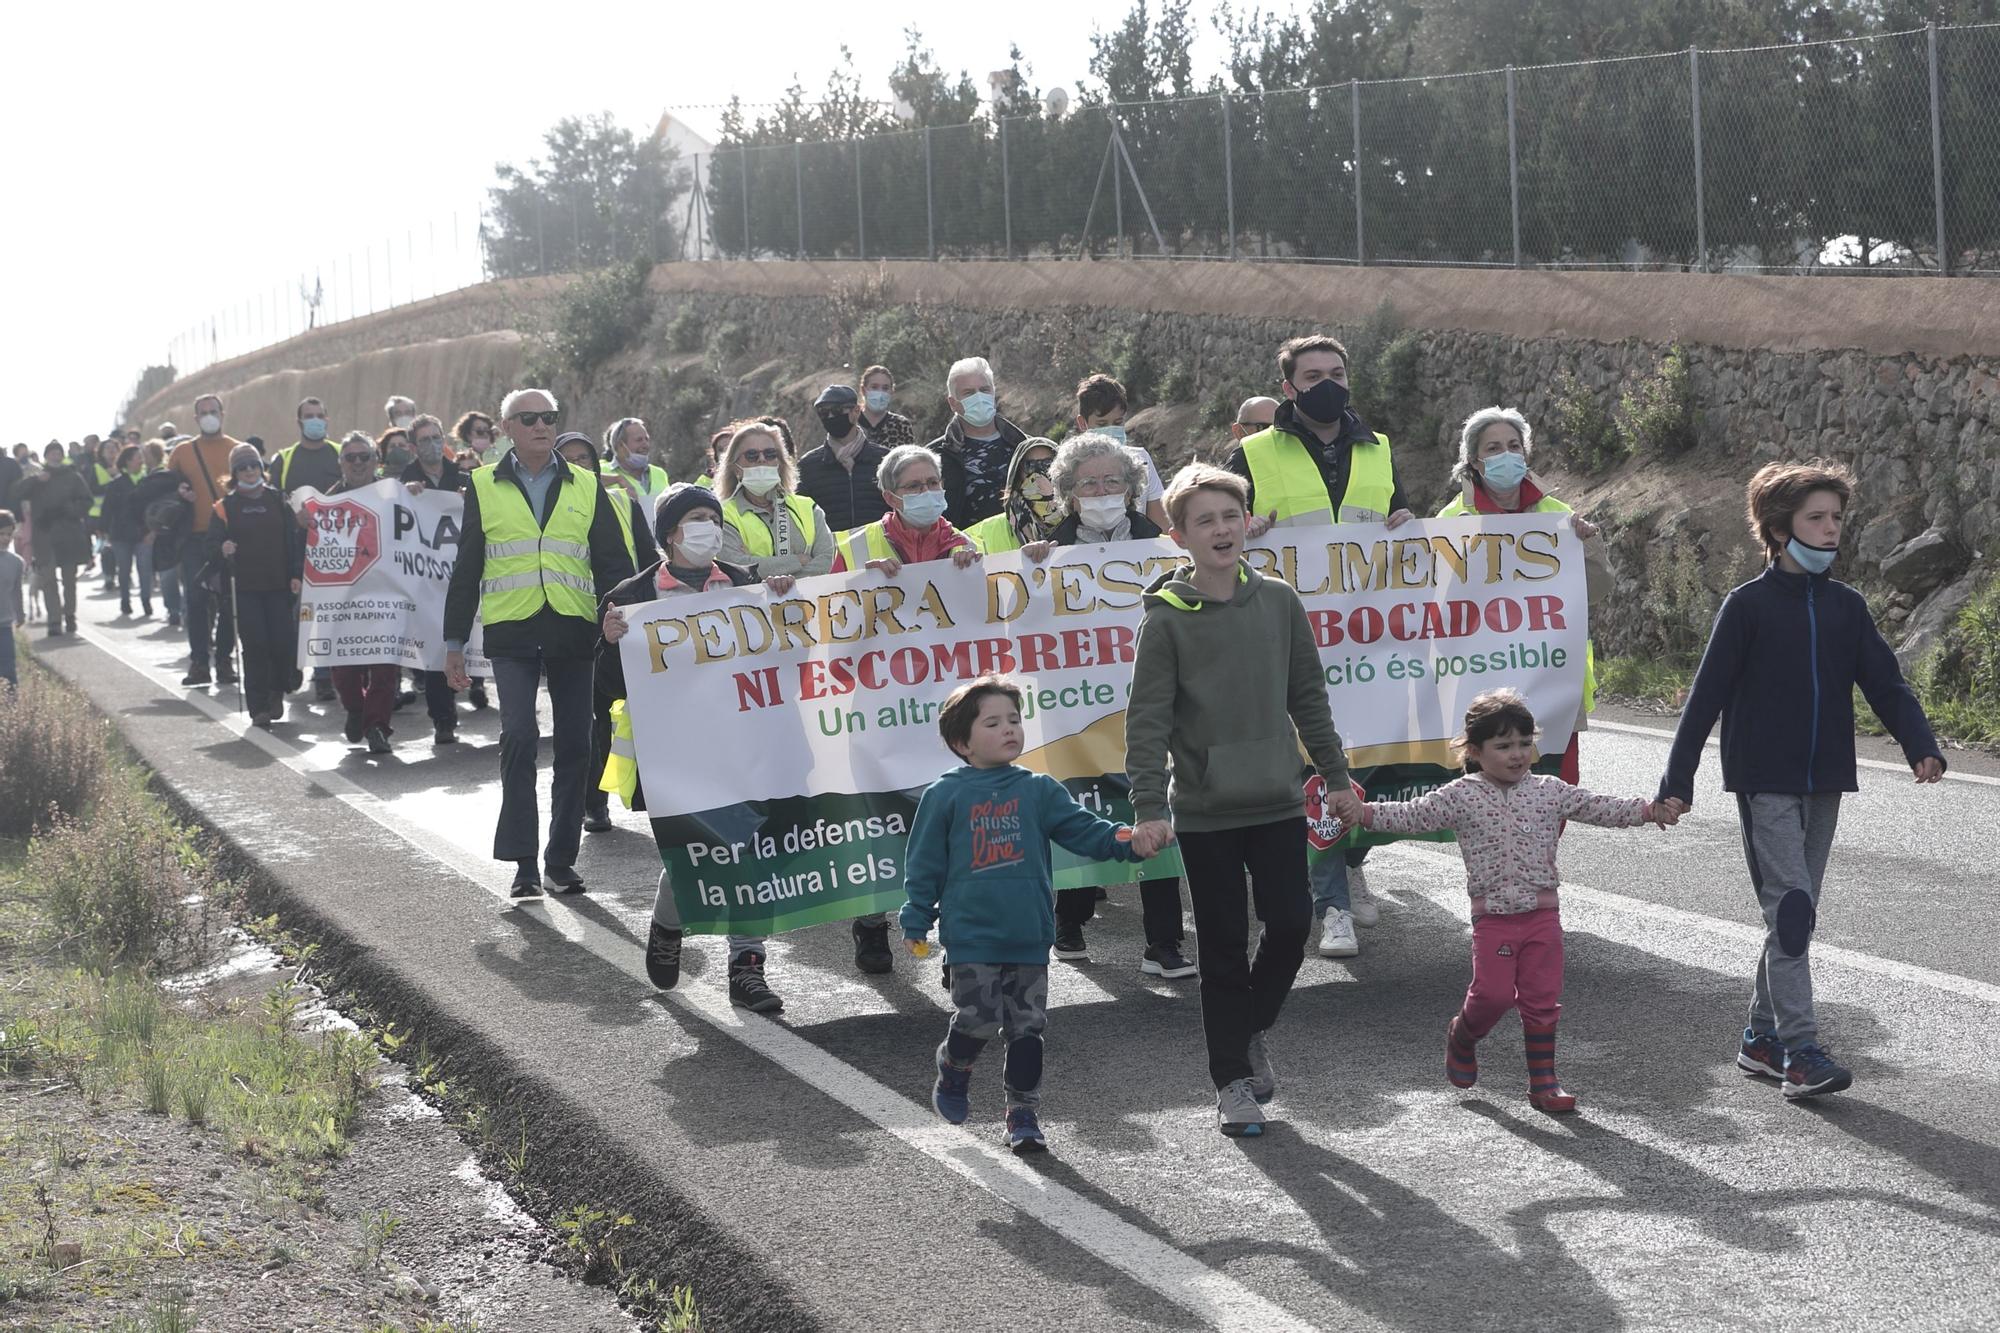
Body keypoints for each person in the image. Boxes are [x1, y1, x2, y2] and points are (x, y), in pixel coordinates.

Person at [1657, 459, 1946, 1101]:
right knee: (1789, 912)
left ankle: (1759, 1038)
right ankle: (1800, 1051)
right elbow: (1704, 699)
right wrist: (1678, 780)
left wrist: (1919, 742)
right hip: (1765, 782)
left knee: (1797, 914)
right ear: (1780, 528)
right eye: (1816, 517)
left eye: (1837, 517)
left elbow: (1885, 682)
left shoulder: (1846, 607)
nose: (1830, 528)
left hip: (1825, 782)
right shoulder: (1747, 606)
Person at [1124, 463, 1350, 1138]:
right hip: (1205, 809)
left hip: (1278, 797)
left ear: (1247, 520)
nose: (1221, 529)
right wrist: (1147, 807)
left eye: (1231, 515)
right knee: (1221, 946)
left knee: (1289, 924)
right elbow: (1147, 720)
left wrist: (1335, 776)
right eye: (1205, 520)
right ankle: (1231, 1082)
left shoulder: (1280, 601)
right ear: (1180, 536)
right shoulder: (1165, 621)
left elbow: (1308, 696)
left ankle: (1247, 1028)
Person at [1334, 690, 1676, 1114]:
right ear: (1475, 752)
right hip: (1493, 919)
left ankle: (1543, 1083)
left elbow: (1599, 807)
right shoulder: (1460, 795)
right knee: (1492, 997)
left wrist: (1649, 810)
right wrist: (1362, 813)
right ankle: (1462, 1035)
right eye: (1503, 746)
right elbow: (1409, 815)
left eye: (1524, 743)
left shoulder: (1550, 791)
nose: (1517, 754)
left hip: (1543, 917)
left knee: (1541, 999)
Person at [902, 674, 1152, 1153]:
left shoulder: (1039, 789)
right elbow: (924, 862)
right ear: (961, 741)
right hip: (972, 933)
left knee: (1027, 1027)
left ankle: (1022, 1113)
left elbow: (1087, 830)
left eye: (1014, 720)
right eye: (992, 722)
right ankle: (954, 1068)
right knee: (977, 1017)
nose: (1008, 729)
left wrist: (1129, 841)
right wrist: (916, 917)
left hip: (1030, 933)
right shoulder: (945, 794)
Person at [999, 433, 1195, 979]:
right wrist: (1029, 570)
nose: (1103, 490)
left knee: (1153, 809)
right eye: (1089, 483)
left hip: (1149, 707)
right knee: (1081, 813)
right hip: (1076, 713)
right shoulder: (1045, 552)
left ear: (1133, 489)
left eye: (1113, 481)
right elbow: (1017, 627)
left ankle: (1163, 942)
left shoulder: (1165, 546)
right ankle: (1071, 919)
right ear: (1068, 492)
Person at [598, 483, 784, 1013]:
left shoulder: (747, 584)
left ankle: (747, 969)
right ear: (671, 534)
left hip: (744, 743)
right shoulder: (630, 598)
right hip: (675, 750)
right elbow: (608, 688)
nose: (710, 527)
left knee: (749, 849)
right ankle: (668, 923)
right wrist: (610, 642)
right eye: (697, 518)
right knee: (698, 853)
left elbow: (785, 655)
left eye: (713, 517)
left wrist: (785, 599)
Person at [443, 389, 634, 898]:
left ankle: (560, 860)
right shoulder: (482, 486)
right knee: (521, 737)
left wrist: (622, 613)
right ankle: (524, 862)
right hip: (513, 631)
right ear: (507, 427)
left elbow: (612, 562)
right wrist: (453, 642)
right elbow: (467, 569)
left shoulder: (588, 484)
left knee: (575, 745)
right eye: (529, 419)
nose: (542, 426)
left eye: (549, 417)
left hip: (574, 628)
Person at [829, 443, 983, 970]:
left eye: (932, 483)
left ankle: (954, 941)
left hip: (947, 711)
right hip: (879, 711)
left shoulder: (966, 547)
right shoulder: (854, 550)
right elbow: (829, 628)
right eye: (913, 487)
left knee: (950, 827)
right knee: (882, 821)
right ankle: (872, 924)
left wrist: (977, 574)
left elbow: (994, 622)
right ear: (890, 495)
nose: (926, 494)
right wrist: (859, 586)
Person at [556, 430, 660, 828]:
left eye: (585, 458)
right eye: (569, 458)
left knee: (611, 715)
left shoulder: (620, 502)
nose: (578, 465)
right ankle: (592, 802)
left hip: (617, 624)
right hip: (571, 624)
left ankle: (639, 794)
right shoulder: (544, 511)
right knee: (585, 719)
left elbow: (648, 558)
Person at [1223, 335, 1415, 535]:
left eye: (1337, 375)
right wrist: (1244, 527)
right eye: (1313, 377)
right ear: (1289, 389)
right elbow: (1217, 529)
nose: (1328, 385)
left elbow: (1401, 525)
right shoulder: (1252, 453)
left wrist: (1407, 524)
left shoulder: (1379, 448)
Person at [206, 443, 304, 728]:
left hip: (278, 586)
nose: (249, 471)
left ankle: (277, 691)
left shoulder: (278, 500)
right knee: (256, 645)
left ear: (261, 468)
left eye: (254, 465)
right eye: (243, 467)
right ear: (234, 473)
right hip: (244, 589)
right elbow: (210, 547)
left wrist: (296, 573)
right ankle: (259, 706)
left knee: (282, 643)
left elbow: (293, 541)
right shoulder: (225, 508)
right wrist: (221, 548)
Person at [167, 395, 241, 685]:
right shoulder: (183, 452)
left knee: (228, 601)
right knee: (196, 600)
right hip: (195, 537)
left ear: (223, 413)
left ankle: (224, 661)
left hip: (229, 535)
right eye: (203, 413)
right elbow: (164, 488)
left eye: (213, 411)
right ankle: (199, 662)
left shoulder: (236, 449)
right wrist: (179, 492)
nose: (209, 416)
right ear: (195, 419)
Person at [715, 420, 835, 579]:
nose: (762, 459)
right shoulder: (723, 516)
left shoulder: (808, 507)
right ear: (735, 467)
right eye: (752, 455)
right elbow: (737, 568)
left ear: (779, 462)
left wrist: (782, 580)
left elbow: (827, 561)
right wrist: (799, 560)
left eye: (770, 454)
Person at [929, 357, 1026, 529]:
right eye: (969, 393)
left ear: (993, 393)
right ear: (953, 403)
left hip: (1025, 550)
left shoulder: (1025, 446)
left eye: (984, 389)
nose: (979, 397)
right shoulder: (934, 457)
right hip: (966, 552)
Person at [15, 442, 93, 639]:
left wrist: (72, 510)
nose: (55, 455)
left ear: (62, 455)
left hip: (69, 534)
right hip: (45, 535)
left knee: (69, 580)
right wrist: (36, 481)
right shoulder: (38, 477)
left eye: (58, 452)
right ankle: (54, 620)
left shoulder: (73, 476)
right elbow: (18, 492)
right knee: (48, 580)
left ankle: (70, 615)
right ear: (46, 456)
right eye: (51, 452)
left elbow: (87, 500)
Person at [1073, 373, 1169, 530]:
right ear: (1082, 423)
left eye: (1117, 423)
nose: (1111, 430)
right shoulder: (1070, 466)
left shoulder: (1141, 459)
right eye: (1102, 424)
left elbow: (1161, 527)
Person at [796, 384, 889, 537]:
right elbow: (801, 518)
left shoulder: (884, 460)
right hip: (831, 555)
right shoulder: (808, 466)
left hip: (881, 551)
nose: (831, 417)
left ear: (856, 411)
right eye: (824, 413)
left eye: (838, 410)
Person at [102, 445, 153, 618]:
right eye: (138, 457)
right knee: (124, 570)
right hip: (121, 535)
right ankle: (125, 600)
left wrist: (152, 530)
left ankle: (146, 600)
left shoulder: (147, 481)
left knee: (145, 569)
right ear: (128, 461)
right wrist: (104, 530)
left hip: (143, 533)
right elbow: (107, 509)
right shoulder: (116, 484)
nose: (141, 460)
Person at [271, 397, 344, 499]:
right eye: (309, 416)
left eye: (320, 416)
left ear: (326, 420)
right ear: (299, 422)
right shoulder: (283, 460)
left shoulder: (344, 455)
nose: (315, 420)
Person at [602, 417, 669, 506]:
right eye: (639, 440)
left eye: (647, 439)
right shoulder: (603, 471)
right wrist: (617, 479)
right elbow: (583, 482)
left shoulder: (660, 474)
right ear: (621, 446)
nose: (645, 445)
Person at [856, 364, 917, 449]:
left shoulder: (901, 425)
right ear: (863, 390)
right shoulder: (852, 422)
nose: (880, 393)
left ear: (891, 391)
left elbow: (910, 459)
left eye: (885, 388)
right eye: (874, 387)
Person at [0, 510, 24, 688]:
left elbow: (17, 591)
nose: (5, 538)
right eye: (1, 533)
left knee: (8, 669)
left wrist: (20, 613)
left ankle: (11, 709)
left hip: (4, 624)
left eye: (9, 534)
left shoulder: (16, 562)